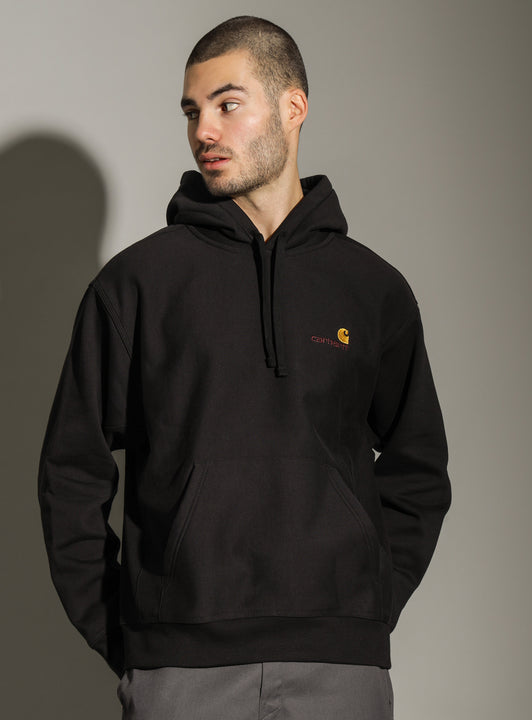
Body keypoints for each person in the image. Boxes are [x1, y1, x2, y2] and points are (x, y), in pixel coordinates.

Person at [38, 15, 451, 720]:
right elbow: (70, 473)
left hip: (339, 667)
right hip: (180, 671)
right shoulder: (136, 286)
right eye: (192, 111)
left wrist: (368, 605)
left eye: (227, 104)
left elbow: (418, 467)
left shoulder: (372, 289)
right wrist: (130, 635)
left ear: (293, 106)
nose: (204, 130)